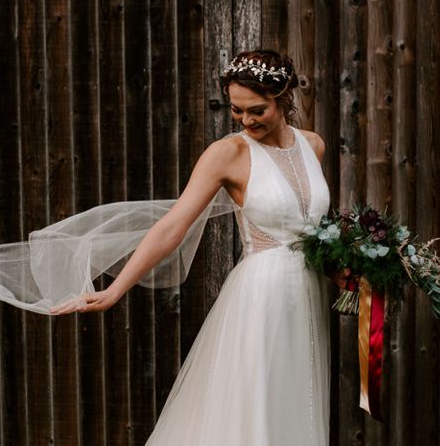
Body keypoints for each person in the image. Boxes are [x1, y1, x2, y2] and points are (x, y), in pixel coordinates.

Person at [51, 49, 335, 444]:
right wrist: (114, 290)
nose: (246, 121)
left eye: (257, 110)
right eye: (237, 110)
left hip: (308, 296)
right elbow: (172, 227)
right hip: (261, 298)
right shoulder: (227, 154)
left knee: (296, 402)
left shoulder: (313, 145)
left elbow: (318, 225)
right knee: (252, 410)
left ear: (284, 97)